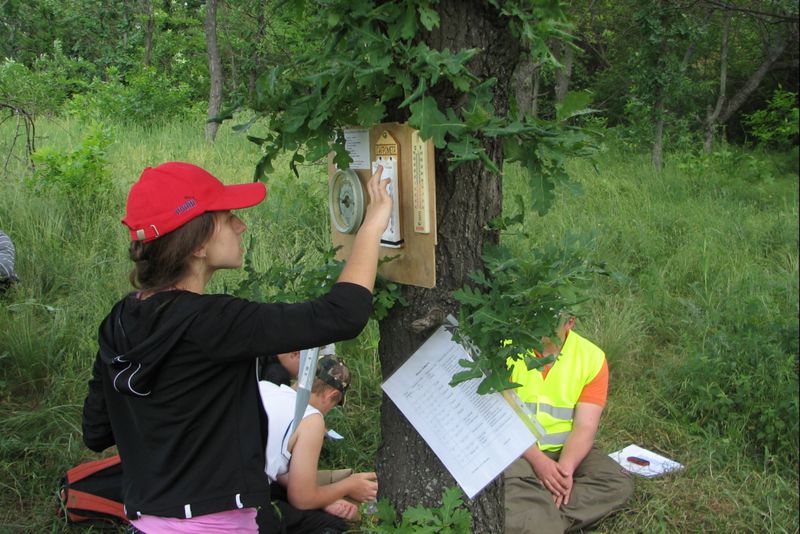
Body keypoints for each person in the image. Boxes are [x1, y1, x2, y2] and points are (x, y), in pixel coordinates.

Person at [82, 161, 391, 533]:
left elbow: (97, 431)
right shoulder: (214, 322)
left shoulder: (118, 321)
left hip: (146, 522)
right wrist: (373, 223)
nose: (241, 225)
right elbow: (342, 315)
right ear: (197, 242)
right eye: (228, 218)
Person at [503, 315, 634, 534]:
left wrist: (565, 470)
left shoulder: (592, 357)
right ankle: (541, 514)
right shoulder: (506, 349)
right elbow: (499, 419)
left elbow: (585, 427)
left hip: (566, 451)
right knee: (506, 481)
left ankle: (543, 516)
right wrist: (539, 463)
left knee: (617, 483)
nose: (538, 326)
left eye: (547, 321)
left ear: (569, 323)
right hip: (517, 453)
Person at [258, 354, 377, 534]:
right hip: (239, 505)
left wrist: (325, 499)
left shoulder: (265, 388)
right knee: (332, 526)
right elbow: (302, 499)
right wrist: (350, 485)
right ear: (333, 394)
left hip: (215, 484)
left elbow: (275, 469)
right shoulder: (310, 418)